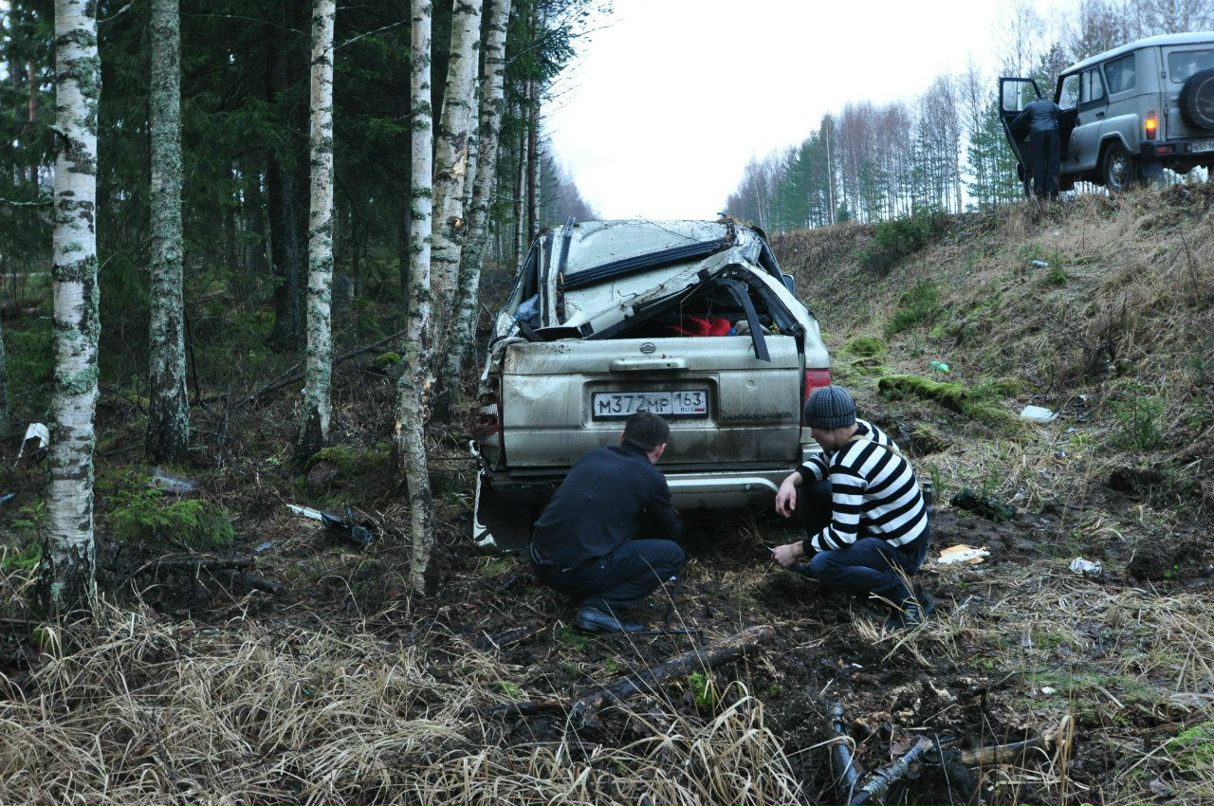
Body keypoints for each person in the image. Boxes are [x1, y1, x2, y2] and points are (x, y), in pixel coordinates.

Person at [770, 385, 932, 629]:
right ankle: (836, 568)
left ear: (830, 428)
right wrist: (791, 481)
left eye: (815, 429)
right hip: (903, 532)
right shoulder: (861, 429)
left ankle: (908, 598)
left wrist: (794, 550)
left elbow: (842, 536)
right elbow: (823, 461)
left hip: (903, 552)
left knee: (822, 564)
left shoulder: (848, 464)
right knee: (813, 487)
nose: (812, 434)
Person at [530, 411, 685, 633]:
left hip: (539, 559)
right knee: (672, 555)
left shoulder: (592, 457)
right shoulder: (651, 479)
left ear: (622, 437)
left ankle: (587, 586)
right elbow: (670, 530)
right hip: (573, 572)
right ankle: (599, 609)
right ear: (661, 449)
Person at [1012, 97, 1063, 200]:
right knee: (1053, 162)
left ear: (1037, 100)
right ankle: (1051, 193)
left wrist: (1015, 129)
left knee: (1039, 162)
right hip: (1052, 132)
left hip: (1038, 134)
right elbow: (1062, 114)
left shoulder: (1031, 105)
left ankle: (1039, 191)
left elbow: (1018, 119)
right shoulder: (1052, 105)